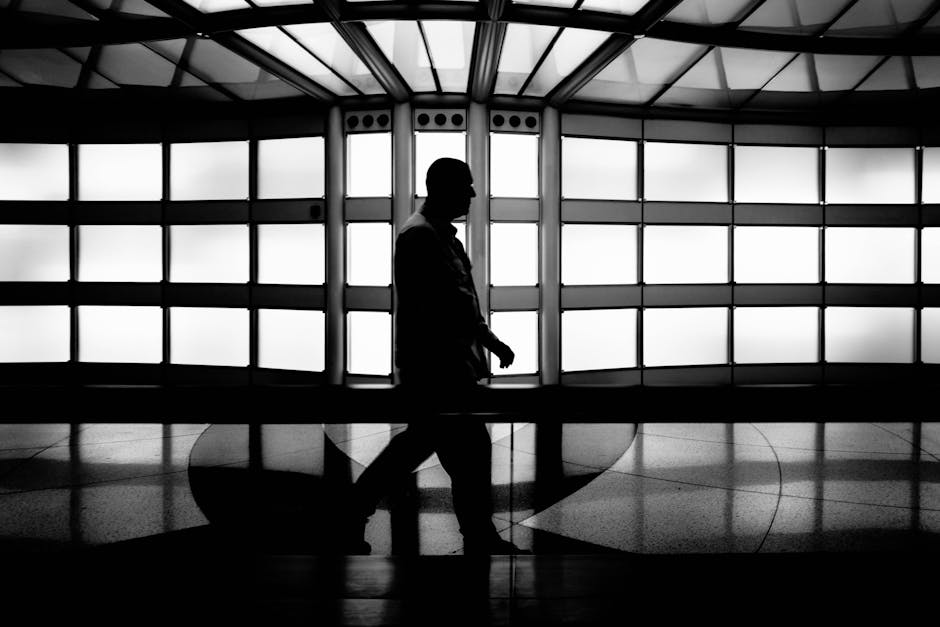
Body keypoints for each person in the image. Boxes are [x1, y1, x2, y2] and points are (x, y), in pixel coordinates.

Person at [347, 157, 522, 555]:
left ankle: (352, 511)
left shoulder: (436, 236)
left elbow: (457, 303)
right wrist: (479, 347)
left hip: (442, 369)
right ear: (443, 188)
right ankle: (479, 537)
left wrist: (489, 342)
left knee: (427, 446)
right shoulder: (422, 238)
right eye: (467, 186)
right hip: (440, 371)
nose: (474, 194)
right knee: (464, 453)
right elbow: (436, 310)